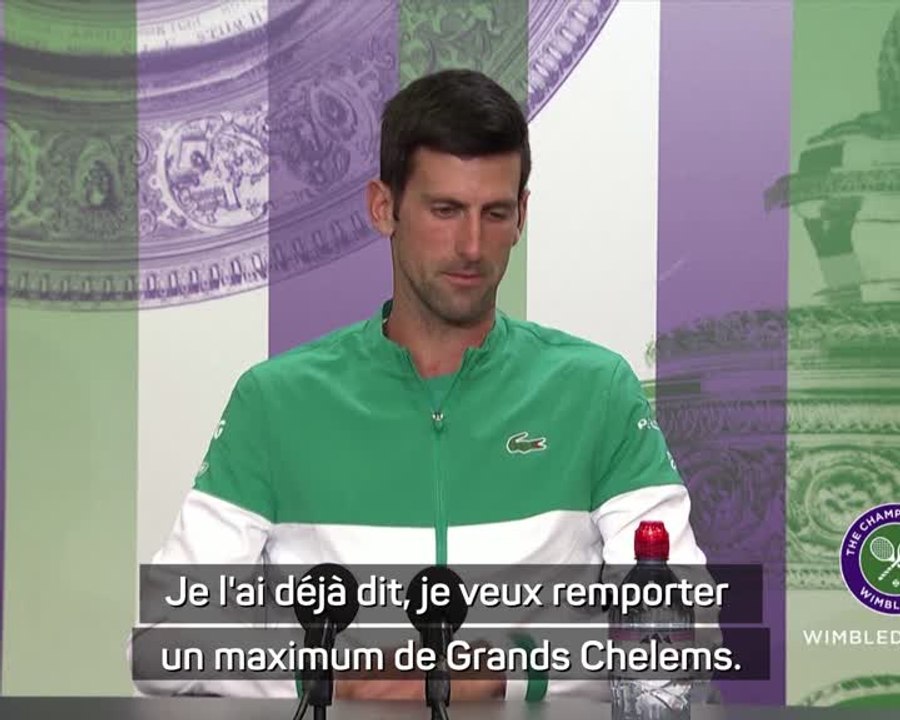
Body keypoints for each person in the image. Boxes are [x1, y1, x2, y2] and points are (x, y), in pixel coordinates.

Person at [132, 68, 708, 703]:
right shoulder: (275, 401)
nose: (471, 245)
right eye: (445, 211)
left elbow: (691, 632)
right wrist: (333, 676)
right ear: (385, 208)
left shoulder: (596, 390)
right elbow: (161, 646)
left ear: (521, 214)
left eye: (494, 213)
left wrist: (509, 672)